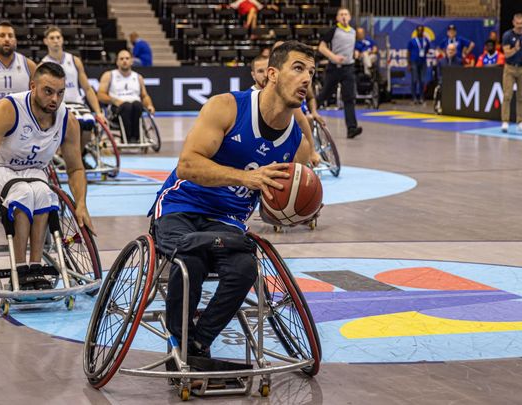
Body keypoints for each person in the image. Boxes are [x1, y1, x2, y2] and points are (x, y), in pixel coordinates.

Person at [151, 41, 313, 359]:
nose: (307, 78)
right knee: (190, 260)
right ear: (272, 74)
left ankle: (197, 343)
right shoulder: (227, 107)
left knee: (244, 269)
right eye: (298, 68)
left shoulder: (298, 144)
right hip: (181, 207)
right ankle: (180, 342)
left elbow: (277, 204)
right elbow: (187, 165)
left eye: (311, 71)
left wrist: (289, 208)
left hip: (227, 224)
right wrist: (245, 177)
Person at [0, 62, 92, 290]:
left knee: (45, 194)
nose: (55, 98)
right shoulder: (8, 109)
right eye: (48, 91)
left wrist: (81, 204)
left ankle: (35, 266)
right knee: (22, 192)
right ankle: (20, 267)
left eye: (60, 92)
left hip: (33, 170)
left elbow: (76, 168)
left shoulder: (67, 120)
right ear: (33, 86)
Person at [42, 25, 107, 166]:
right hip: (58, 105)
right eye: (52, 38)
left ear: (62, 40)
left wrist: (98, 112)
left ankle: (76, 157)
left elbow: (87, 88)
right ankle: (68, 157)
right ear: (45, 41)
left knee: (88, 122)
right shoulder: (43, 65)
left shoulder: (74, 60)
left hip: (77, 103)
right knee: (72, 125)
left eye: (58, 37)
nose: (55, 41)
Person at [316, 8, 362, 139]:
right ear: (337, 18)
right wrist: (333, 57)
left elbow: (349, 47)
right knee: (325, 94)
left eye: (346, 14)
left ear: (350, 17)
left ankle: (351, 128)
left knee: (349, 98)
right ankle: (306, 112)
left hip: (348, 68)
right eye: (341, 14)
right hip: (334, 68)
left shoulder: (353, 32)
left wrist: (355, 54)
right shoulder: (334, 30)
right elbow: (321, 47)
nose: (344, 16)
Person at [97, 50, 156, 144]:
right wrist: (114, 100)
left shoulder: (138, 77)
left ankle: (135, 138)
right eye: (121, 59)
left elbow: (144, 96)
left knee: (137, 105)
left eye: (127, 58)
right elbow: (100, 95)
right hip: (116, 109)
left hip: (135, 107)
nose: (124, 61)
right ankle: (127, 138)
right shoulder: (109, 75)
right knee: (127, 106)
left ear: (132, 61)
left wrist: (150, 105)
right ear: (117, 62)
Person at [501, 13, 522, 133]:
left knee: (521, 96)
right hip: (510, 68)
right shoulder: (507, 35)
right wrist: (515, 49)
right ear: (513, 23)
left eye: (521, 23)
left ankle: (520, 122)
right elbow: (506, 54)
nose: (519, 26)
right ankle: (505, 121)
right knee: (507, 95)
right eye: (517, 23)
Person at [407, 24, 431, 105]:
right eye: (419, 30)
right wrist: (408, 63)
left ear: (423, 31)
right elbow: (408, 52)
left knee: (422, 80)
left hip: (423, 62)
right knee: (414, 80)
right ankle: (414, 98)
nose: (420, 31)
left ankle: (421, 97)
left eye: (421, 30)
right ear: (416, 31)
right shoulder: (412, 41)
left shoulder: (426, 41)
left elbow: (427, 50)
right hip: (414, 62)